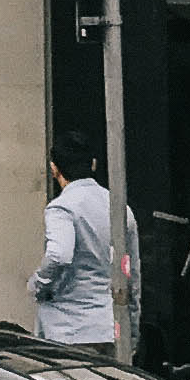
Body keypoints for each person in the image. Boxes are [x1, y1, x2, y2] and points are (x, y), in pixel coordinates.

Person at [32, 132, 137, 348]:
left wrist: (38, 284)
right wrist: (132, 329)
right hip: (109, 327)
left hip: (68, 330)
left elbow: (59, 255)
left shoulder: (62, 208)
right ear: (93, 164)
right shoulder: (121, 209)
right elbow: (131, 274)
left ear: (54, 168)